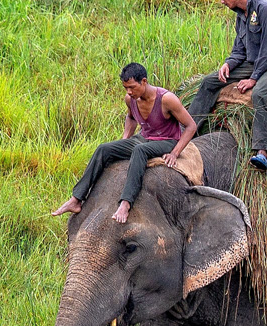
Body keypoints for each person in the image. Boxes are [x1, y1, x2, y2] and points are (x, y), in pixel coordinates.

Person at [50, 62, 198, 223]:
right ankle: (76, 199)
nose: (129, 91)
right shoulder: (130, 99)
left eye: (132, 87)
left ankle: (126, 203)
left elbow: (191, 126)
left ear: (144, 81)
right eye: (125, 87)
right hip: (144, 137)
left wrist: (175, 152)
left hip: (166, 140)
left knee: (140, 150)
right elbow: (131, 117)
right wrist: (125, 139)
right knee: (103, 149)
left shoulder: (167, 99)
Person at [186, 0, 267, 171]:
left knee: (260, 93)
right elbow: (239, 50)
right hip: (252, 63)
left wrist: (253, 79)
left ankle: (262, 152)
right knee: (209, 82)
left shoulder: (266, 9)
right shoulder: (240, 17)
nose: (221, 1)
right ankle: (188, 132)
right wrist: (228, 64)